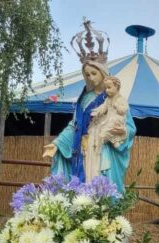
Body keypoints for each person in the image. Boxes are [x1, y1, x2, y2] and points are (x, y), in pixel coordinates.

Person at [43, 34, 136, 191]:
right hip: (84, 149)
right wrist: (57, 143)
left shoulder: (114, 97)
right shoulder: (84, 99)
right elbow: (75, 126)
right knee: (84, 185)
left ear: (103, 73)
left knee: (102, 186)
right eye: (87, 75)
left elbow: (130, 127)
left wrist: (122, 132)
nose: (90, 78)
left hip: (103, 147)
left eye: (94, 73)